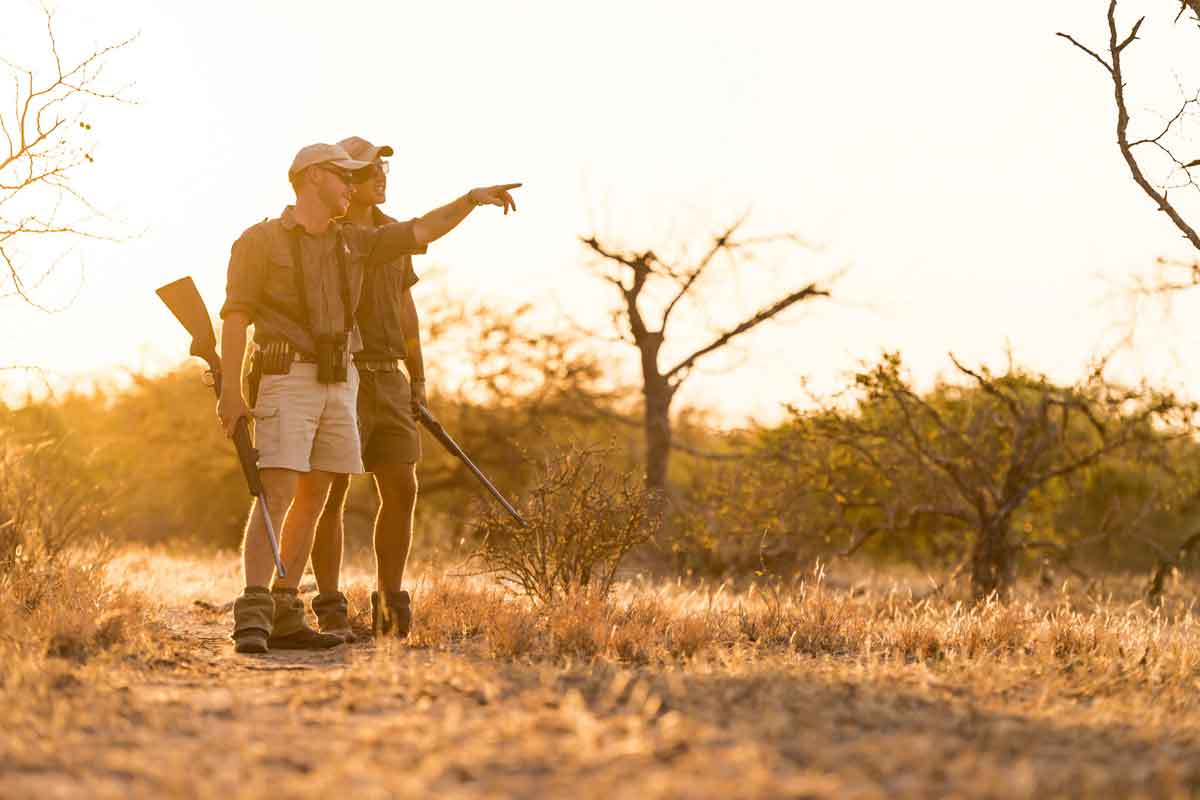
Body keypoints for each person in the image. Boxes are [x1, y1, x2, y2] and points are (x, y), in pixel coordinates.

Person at [218, 141, 519, 653]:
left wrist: (469, 200)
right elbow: (236, 315)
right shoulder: (259, 240)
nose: (352, 186)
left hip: (341, 381)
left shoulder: (356, 241)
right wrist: (229, 388)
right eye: (344, 176)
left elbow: (420, 229)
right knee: (277, 491)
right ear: (313, 177)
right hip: (285, 376)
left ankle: (287, 611)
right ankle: (253, 612)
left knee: (314, 496)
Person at [309, 137, 425, 642]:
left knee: (401, 485)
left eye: (384, 170)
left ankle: (388, 602)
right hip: (340, 372)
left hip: (389, 376)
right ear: (346, 179)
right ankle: (330, 604)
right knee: (330, 489)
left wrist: (417, 378)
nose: (382, 178)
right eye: (371, 171)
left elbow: (406, 310)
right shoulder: (325, 237)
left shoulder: (394, 235)